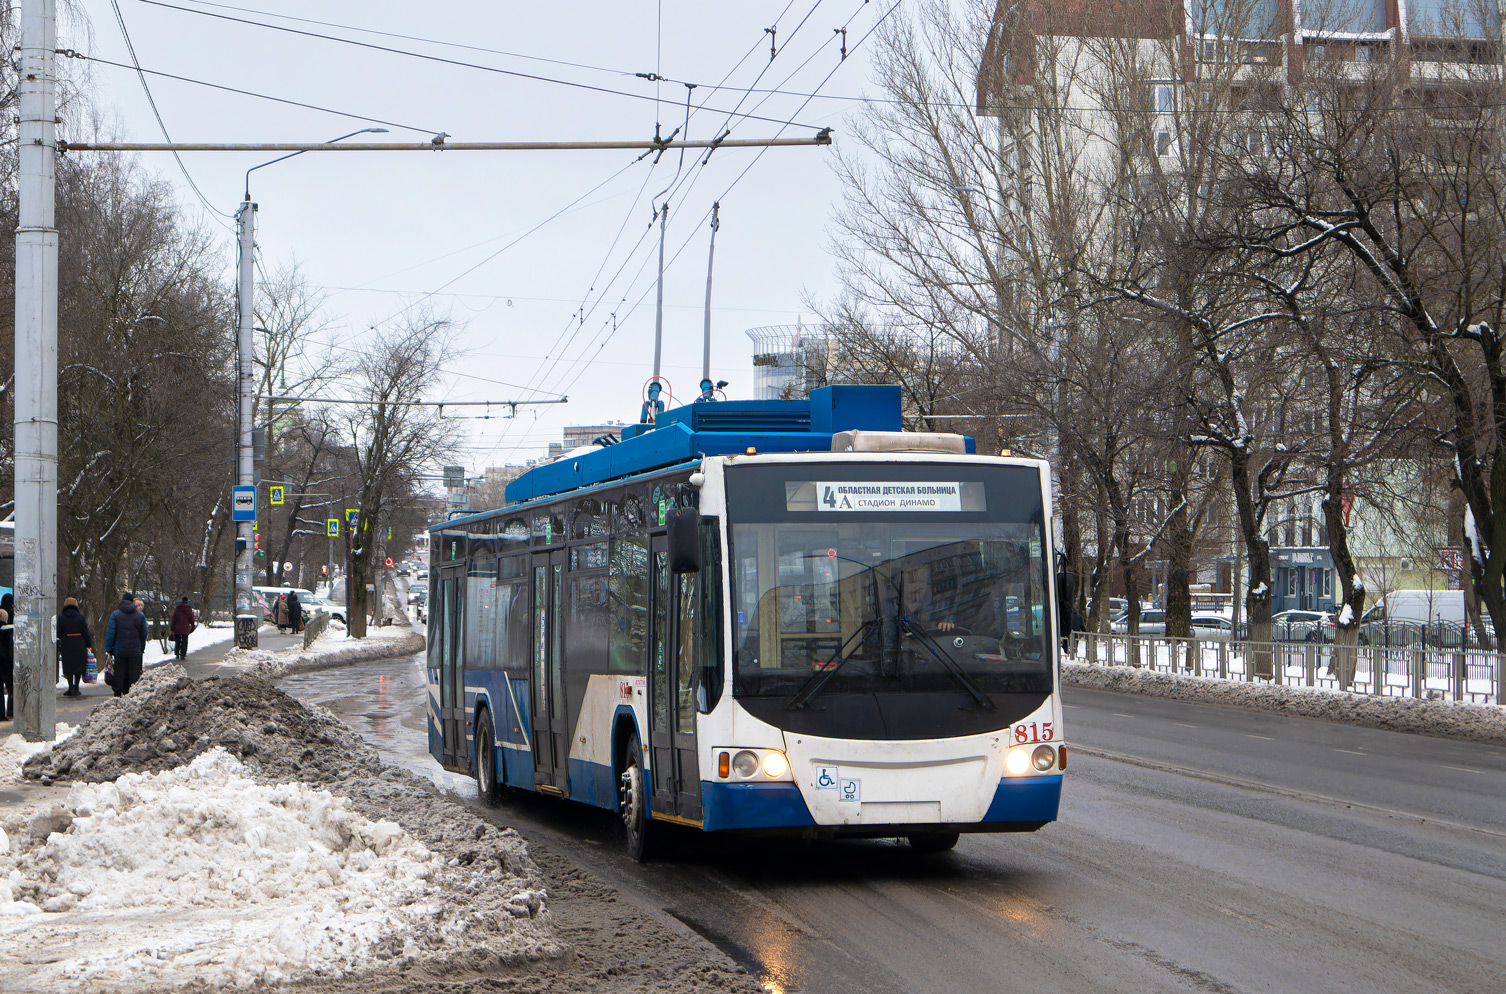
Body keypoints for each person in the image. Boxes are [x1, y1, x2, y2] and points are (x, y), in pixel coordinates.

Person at [105, 592, 147, 697]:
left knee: (119, 671)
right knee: (133, 672)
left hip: (119, 650)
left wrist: (109, 648)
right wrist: (141, 647)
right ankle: (131, 691)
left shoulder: (116, 614)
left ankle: (118, 692)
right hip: (134, 650)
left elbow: (111, 633)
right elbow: (144, 633)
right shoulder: (140, 615)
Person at [57, 597, 93, 697]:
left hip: (67, 643)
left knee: (68, 666)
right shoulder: (81, 617)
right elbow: (85, 632)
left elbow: (59, 633)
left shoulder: (61, 617)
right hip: (79, 643)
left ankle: (70, 687)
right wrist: (89, 644)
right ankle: (76, 688)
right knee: (78, 665)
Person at [0, 608, 12, 720]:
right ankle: (10, 712)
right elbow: (9, 647)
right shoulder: (7, 630)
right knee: (11, 688)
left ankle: (0, 714)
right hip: (6, 663)